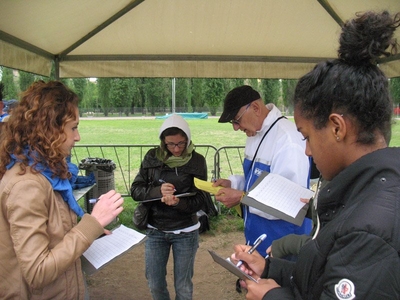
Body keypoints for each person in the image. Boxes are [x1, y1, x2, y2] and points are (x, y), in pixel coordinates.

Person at [230, 10, 400, 299]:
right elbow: (325, 273)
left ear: (337, 127)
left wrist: (271, 296)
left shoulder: (371, 227)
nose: (306, 150)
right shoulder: (358, 195)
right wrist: (271, 269)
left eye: (307, 136)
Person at [0, 80, 124, 299]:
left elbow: (52, 236)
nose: (77, 137)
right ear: (48, 130)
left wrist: (90, 230)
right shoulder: (27, 185)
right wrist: (90, 226)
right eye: (73, 128)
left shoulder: (44, 172)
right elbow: (38, 272)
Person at [213, 85, 312, 255]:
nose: (236, 127)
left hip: (283, 242)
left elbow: (289, 201)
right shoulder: (255, 134)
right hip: (259, 236)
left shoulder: (287, 140)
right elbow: (258, 182)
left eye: (237, 120)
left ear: (256, 108)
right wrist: (234, 183)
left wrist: (241, 197)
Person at [130, 114, 210, 300]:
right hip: (155, 230)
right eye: (170, 144)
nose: (176, 149)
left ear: (188, 140)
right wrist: (158, 191)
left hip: (186, 231)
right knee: (155, 283)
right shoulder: (152, 157)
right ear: (162, 142)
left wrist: (178, 202)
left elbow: (201, 199)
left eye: (181, 144)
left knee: (183, 287)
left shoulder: (197, 161)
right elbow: (135, 191)